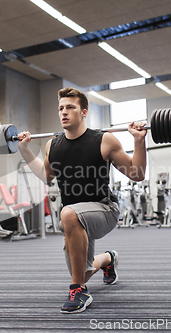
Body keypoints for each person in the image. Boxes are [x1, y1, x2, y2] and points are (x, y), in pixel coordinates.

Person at [17, 87, 147, 314]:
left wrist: (138, 141)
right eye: (60, 108)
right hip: (76, 218)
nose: (63, 112)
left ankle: (78, 290)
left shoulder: (104, 140)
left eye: (70, 107)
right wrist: (24, 150)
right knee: (82, 269)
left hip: (104, 209)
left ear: (84, 112)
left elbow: (136, 174)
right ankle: (108, 259)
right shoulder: (52, 146)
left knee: (68, 213)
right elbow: (46, 176)